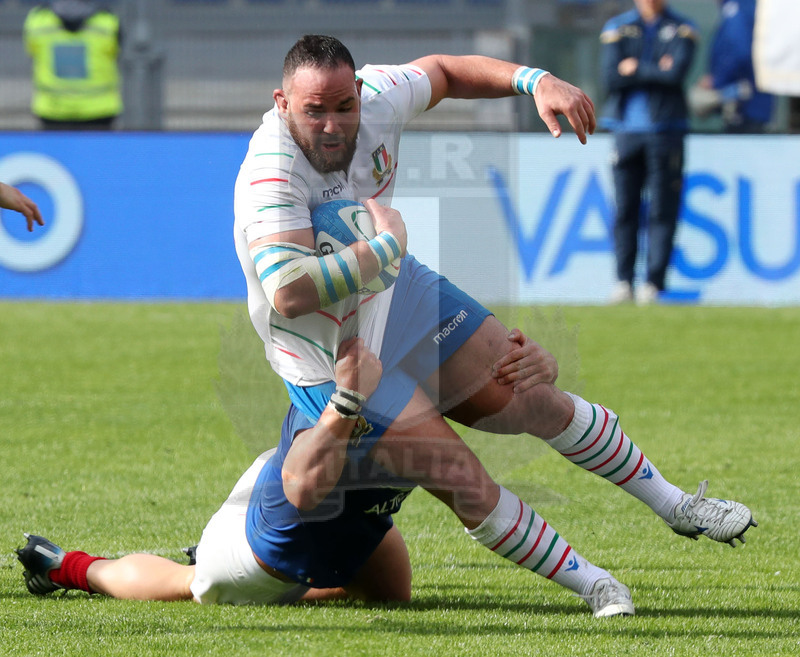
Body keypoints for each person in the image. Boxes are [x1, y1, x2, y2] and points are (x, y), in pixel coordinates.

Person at [225, 34, 757, 616]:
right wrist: (386, 247)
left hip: (397, 294)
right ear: (282, 103)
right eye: (313, 111)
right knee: (462, 476)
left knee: (530, 395)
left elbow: (445, 70)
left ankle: (677, 504)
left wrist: (536, 80)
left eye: (343, 106)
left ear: (359, 91)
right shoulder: (271, 171)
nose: (332, 125)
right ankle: (596, 584)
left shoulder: (379, 95)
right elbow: (290, 291)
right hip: (334, 356)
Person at [19, 334, 636, 614]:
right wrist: (345, 403)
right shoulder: (349, 371)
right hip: (283, 521)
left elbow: (508, 391)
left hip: (355, 512)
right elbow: (304, 485)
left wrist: (534, 365)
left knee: (391, 598)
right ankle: (71, 566)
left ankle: (276, 559)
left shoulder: (423, 343)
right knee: (195, 585)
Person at [598, 0, 698, 304]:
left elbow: (675, 75)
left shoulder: (683, 28)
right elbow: (610, 77)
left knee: (662, 209)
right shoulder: (618, 27)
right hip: (626, 131)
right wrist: (657, 68)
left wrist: (635, 68)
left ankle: (654, 283)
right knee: (625, 208)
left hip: (666, 131)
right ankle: (623, 281)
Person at [23, 0, 123, 130]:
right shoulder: (107, 21)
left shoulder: (38, 20)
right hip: (99, 109)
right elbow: (117, 52)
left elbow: (32, 52)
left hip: (52, 108)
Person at [690, 0, 774, 134]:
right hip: (751, 104)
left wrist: (717, 80)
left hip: (746, 105)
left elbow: (740, 53)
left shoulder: (737, 10)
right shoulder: (742, 8)